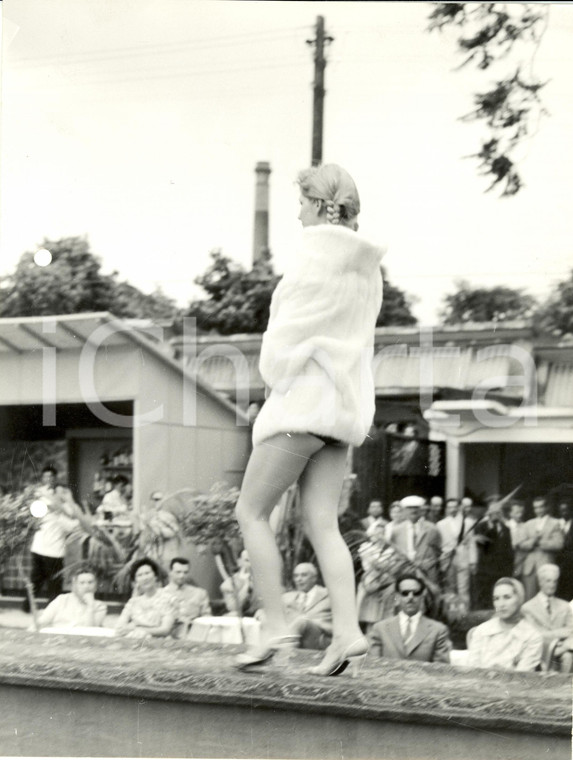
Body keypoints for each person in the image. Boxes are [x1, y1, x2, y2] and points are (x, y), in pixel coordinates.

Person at [234, 163, 384, 676]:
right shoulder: (367, 269)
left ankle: (275, 626)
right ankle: (346, 632)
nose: (297, 213)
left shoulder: (309, 259)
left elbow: (280, 350)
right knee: (324, 524)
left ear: (320, 206)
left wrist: (273, 369)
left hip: (300, 408)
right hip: (340, 415)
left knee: (251, 513)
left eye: (301, 203)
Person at [369, 573, 451, 663]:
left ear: (422, 596)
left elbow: (441, 670)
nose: (410, 597)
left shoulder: (438, 630)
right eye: (405, 593)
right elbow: (373, 665)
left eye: (416, 593)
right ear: (397, 597)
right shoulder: (380, 629)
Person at [28, 465, 79, 607]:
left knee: (54, 582)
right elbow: (35, 512)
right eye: (46, 476)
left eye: (51, 477)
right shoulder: (39, 494)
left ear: (56, 479)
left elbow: (72, 518)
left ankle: (53, 608)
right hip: (39, 545)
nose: (49, 479)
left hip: (55, 548)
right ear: (43, 478)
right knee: (36, 579)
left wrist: (59, 509)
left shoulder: (63, 495)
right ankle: (27, 606)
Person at [466, 577, 543, 671]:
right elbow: (472, 670)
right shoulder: (482, 631)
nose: (501, 604)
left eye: (507, 597)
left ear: (519, 598)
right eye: (496, 599)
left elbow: (523, 676)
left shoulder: (532, 636)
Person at [521, 564, 573, 672]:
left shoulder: (565, 606)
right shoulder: (528, 607)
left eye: (555, 581)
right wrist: (558, 637)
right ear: (540, 582)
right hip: (539, 649)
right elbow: (535, 634)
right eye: (548, 581)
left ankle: (562, 687)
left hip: (562, 649)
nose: (552, 585)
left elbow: (571, 630)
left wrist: (563, 647)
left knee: (568, 656)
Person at [517, 496, 564, 601]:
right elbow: (521, 544)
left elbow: (559, 544)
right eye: (536, 508)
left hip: (547, 565)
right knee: (529, 598)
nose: (538, 510)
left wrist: (540, 542)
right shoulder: (529, 524)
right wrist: (532, 541)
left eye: (541, 507)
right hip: (530, 568)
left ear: (547, 507)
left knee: (548, 597)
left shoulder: (555, 523)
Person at [115, 558, 175, 638]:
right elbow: (119, 627)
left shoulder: (168, 598)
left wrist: (137, 628)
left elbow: (165, 629)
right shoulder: (133, 602)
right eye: (140, 575)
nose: (145, 578)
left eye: (147, 573)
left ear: (155, 576)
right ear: (135, 581)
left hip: (159, 642)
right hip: (135, 640)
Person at [390, 496, 442, 586]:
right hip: (405, 572)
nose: (413, 511)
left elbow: (438, 551)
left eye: (416, 508)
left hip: (427, 573)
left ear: (422, 510)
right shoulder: (397, 530)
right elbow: (394, 552)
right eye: (409, 508)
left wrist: (429, 563)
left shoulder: (432, 529)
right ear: (404, 510)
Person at [34, 568, 107, 631]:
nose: (86, 586)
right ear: (74, 586)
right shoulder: (61, 600)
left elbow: (90, 631)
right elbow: (42, 622)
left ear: (95, 586)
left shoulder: (100, 606)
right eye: (82, 583)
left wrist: (90, 606)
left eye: (90, 582)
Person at [157, 557, 211, 639]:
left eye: (185, 572)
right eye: (178, 572)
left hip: (195, 635)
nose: (182, 576)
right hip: (168, 636)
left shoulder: (200, 593)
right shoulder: (161, 594)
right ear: (170, 572)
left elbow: (207, 617)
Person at [282, 563, 332, 650]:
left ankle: (284, 653)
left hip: (319, 640)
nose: (299, 579)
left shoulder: (329, 595)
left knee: (302, 621)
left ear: (314, 578)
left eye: (304, 575)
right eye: (296, 576)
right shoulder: (287, 597)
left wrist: (315, 622)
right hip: (293, 638)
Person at [473, 500, 514, 609]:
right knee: (485, 598)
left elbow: (508, 550)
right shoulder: (481, 527)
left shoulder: (506, 529)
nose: (496, 514)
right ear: (489, 512)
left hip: (501, 570)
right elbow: (481, 544)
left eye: (498, 511)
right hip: (485, 570)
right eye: (494, 511)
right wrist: (491, 527)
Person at [220, 549, 259, 617]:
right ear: (239, 562)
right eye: (247, 560)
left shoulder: (264, 583)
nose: (251, 565)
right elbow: (233, 608)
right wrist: (246, 585)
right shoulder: (228, 584)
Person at [557, 502, 573, 601]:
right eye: (561, 511)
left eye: (565, 510)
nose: (563, 513)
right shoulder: (558, 524)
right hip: (560, 563)